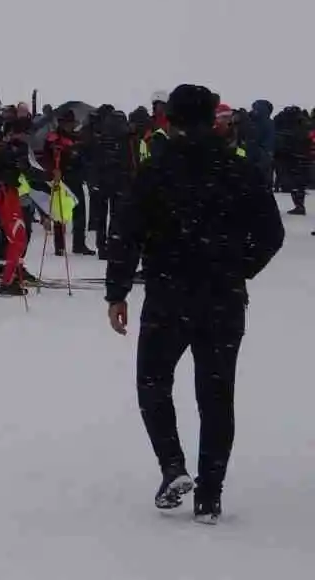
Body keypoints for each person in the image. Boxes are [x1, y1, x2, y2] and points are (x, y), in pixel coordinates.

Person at [105, 84, 284, 525]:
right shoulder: (239, 169)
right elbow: (271, 234)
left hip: (169, 293)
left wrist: (117, 291)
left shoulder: (156, 170)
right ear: (216, 119)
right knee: (217, 396)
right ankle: (210, 495)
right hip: (223, 297)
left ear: (169, 120)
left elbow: (127, 232)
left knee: (153, 382)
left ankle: (172, 467)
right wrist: (240, 267)